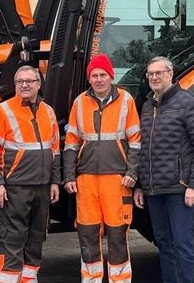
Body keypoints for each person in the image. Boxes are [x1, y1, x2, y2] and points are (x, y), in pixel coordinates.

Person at [133, 56, 194, 283]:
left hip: (179, 189)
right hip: (153, 190)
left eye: (159, 73)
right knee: (164, 244)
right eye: (150, 74)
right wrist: (139, 185)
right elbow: (143, 149)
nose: (154, 78)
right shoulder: (148, 106)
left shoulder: (188, 102)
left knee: (183, 245)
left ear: (170, 74)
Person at [63, 53, 141, 283]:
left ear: (111, 76)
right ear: (89, 79)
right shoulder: (79, 102)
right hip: (86, 180)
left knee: (118, 235)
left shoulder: (126, 101)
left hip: (117, 180)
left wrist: (131, 173)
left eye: (102, 75)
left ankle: (120, 280)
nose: (98, 80)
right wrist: (69, 176)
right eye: (94, 75)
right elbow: (70, 143)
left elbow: (136, 142)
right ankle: (92, 280)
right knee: (87, 234)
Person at [0, 65, 61, 283]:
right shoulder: (3, 111)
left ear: (38, 84)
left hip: (43, 187)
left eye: (29, 81)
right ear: (15, 85)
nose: (25, 85)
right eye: (20, 81)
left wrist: (55, 181)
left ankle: (29, 280)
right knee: (12, 240)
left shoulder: (48, 111)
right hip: (14, 188)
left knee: (37, 240)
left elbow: (54, 149)